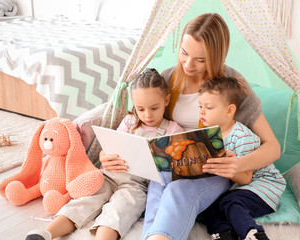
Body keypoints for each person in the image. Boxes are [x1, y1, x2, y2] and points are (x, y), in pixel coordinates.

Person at [100, 13, 281, 240]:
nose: (188, 64)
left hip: (212, 170)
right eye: (184, 53)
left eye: (200, 59)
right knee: (158, 188)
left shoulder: (231, 86)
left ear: (216, 56)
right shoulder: (167, 79)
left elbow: (273, 146)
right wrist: (109, 153)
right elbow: (137, 122)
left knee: (178, 190)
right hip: (169, 166)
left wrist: (237, 165)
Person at [25, 68, 184, 240]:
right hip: (110, 175)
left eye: (154, 108)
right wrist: (103, 156)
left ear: (166, 100)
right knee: (84, 202)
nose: (147, 115)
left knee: (118, 212)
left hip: (137, 185)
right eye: (140, 109)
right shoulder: (129, 121)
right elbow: (109, 146)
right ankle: (47, 233)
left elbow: (179, 164)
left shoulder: (172, 129)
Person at [198, 77, 286, 240]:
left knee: (231, 203)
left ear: (230, 110)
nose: (201, 112)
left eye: (208, 107)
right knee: (210, 203)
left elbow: (246, 178)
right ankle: (222, 233)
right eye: (200, 106)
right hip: (240, 187)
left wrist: (223, 168)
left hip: (264, 186)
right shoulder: (211, 136)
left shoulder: (241, 136)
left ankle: (252, 233)